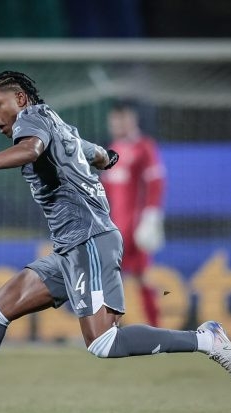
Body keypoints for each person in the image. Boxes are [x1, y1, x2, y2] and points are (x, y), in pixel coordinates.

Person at [0, 71, 231, 413]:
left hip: (89, 239)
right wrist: (105, 157)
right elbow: (91, 151)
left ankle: (207, 339)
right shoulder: (54, 121)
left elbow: (32, 150)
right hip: (68, 247)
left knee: (104, 342)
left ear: (21, 99)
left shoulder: (29, 122)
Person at [101, 101, 166, 326]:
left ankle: (154, 328)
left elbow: (156, 182)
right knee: (114, 278)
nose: (117, 125)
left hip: (135, 228)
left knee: (131, 277)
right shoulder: (112, 150)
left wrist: (151, 216)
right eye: (114, 121)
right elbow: (106, 192)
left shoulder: (144, 147)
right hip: (114, 227)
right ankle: (109, 330)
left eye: (122, 119)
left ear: (132, 120)